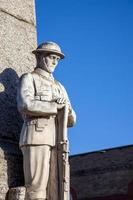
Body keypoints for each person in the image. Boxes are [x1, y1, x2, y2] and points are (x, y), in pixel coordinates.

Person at [17, 41, 76, 200]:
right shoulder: (29, 78)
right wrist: (53, 106)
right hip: (36, 136)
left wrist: (67, 110)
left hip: (58, 140)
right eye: (52, 57)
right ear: (40, 57)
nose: (55, 62)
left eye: (57, 59)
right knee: (36, 188)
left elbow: (72, 119)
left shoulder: (60, 86)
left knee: (56, 189)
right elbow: (25, 104)